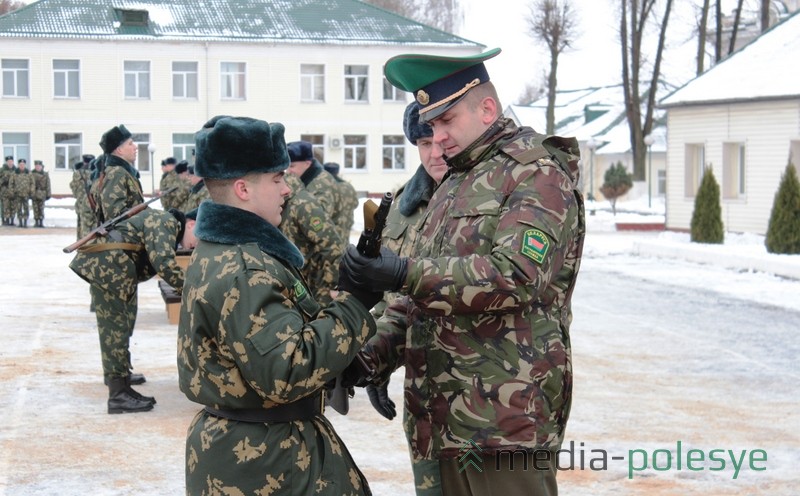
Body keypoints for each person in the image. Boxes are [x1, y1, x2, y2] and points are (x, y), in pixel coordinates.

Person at [341, 48, 586, 495]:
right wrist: (367, 356)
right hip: (438, 421)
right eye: (431, 126)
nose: (439, 138)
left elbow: (516, 275)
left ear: (486, 108)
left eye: (447, 121)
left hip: (504, 425)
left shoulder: (535, 173)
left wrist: (401, 271)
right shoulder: (455, 182)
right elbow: (419, 299)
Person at [176, 115, 382, 496]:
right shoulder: (245, 267)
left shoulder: (222, 250)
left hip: (254, 448)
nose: (287, 190)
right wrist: (357, 303)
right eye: (276, 179)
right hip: (268, 459)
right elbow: (284, 372)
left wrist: (339, 355)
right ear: (242, 189)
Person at [362, 101, 449, 496]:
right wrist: (379, 361)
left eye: (440, 141)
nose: (435, 153)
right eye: (423, 143)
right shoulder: (401, 206)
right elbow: (387, 298)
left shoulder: (486, 202)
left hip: (486, 388)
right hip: (422, 387)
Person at [69, 206, 193, 413]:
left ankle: (122, 384)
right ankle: (118, 395)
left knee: (120, 327)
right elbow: (164, 263)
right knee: (114, 330)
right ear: (191, 224)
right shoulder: (165, 221)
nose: (194, 245)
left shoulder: (164, 222)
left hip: (114, 268)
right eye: (198, 237)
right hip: (109, 268)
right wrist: (194, 290)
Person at [279, 172, 343, 306]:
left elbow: (331, 245)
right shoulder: (280, 205)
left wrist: (335, 285)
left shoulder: (304, 205)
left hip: (319, 286)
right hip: (301, 284)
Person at [286, 141, 345, 252]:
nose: (288, 171)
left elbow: (317, 221)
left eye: (292, 166)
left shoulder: (321, 184)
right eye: (287, 166)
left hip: (324, 254)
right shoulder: (305, 180)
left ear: (307, 163)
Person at [92, 124, 144, 223]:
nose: (135, 147)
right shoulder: (116, 173)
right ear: (119, 150)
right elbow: (116, 216)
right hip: (124, 237)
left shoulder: (123, 172)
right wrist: (152, 216)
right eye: (130, 144)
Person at [323, 162, 359, 243]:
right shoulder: (348, 186)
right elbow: (355, 203)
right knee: (345, 250)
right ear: (337, 172)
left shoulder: (324, 187)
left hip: (330, 228)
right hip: (345, 225)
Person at [70, 155, 96, 238]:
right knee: (92, 223)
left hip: (81, 202)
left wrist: (77, 195)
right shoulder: (95, 172)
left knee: (80, 223)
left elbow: (73, 186)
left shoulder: (78, 173)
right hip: (93, 203)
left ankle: (80, 242)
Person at [11, 158, 35, 228]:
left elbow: (32, 183)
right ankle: (20, 222)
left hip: (26, 194)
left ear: (25, 165)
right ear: (18, 165)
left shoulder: (28, 173)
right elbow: (11, 183)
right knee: (18, 208)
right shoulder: (15, 173)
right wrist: (12, 192)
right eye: (20, 165)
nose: (22, 166)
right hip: (17, 194)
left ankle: (25, 222)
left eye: (23, 164)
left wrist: (31, 191)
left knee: (26, 208)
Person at [31, 160, 51, 228]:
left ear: (41, 166)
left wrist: (48, 194)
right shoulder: (32, 174)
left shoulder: (45, 174)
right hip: (35, 193)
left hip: (42, 193)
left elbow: (48, 185)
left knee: (41, 208)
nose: (37, 167)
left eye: (39, 166)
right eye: (36, 166)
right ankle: (36, 221)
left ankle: (41, 222)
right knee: (35, 208)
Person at [1, 155, 16, 225]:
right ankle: (6, 220)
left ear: (13, 162)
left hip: (13, 190)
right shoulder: (2, 170)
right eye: (8, 161)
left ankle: (12, 220)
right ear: (6, 162)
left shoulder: (16, 170)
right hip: (5, 190)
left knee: (13, 205)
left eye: (11, 161)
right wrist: (4, 179)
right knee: (5, 206)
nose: (10, 163)